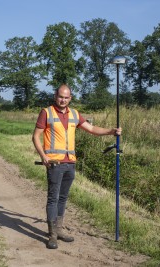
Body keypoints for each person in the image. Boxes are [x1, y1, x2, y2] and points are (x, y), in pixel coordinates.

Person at [32, 84, 122, 249]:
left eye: (66, 97)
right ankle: (52, 235)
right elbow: (36, 136)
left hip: (70, 163)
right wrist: (43, 156)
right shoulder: (46, 113)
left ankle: (59, 229)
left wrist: (111, 131)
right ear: (55, 96)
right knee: (53, 198)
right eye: (60, 97)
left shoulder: (74, 114)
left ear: (70, 98)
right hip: (54, 163)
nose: (63, 100)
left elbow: (92, 128)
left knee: (63, 198)